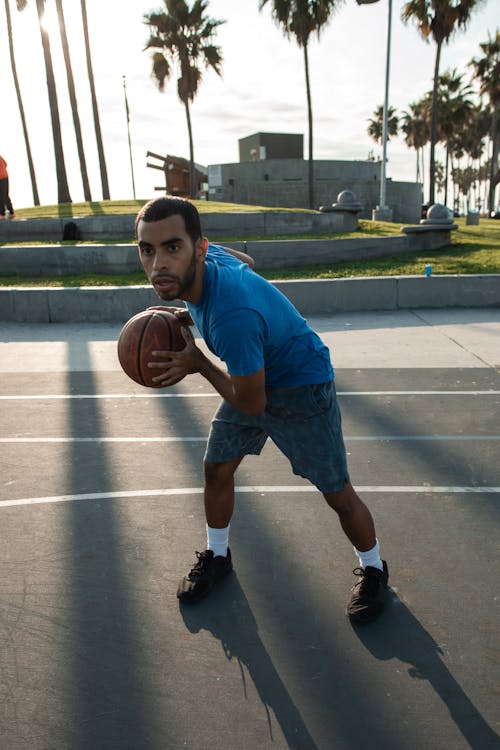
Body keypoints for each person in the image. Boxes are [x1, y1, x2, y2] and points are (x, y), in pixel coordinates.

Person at [135, 196, 390, 624]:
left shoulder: (232, 315)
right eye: (147, 249)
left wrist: (199, 363)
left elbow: (252, 403)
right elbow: (245, 259)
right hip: (253, 371)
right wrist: (191, 307)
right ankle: (218, 556)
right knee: (216, 469)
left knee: (338, 495)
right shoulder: (209, 260)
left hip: (301, 386)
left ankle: (375, 569)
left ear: (198, 247)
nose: (158, 262)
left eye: (172, 247)